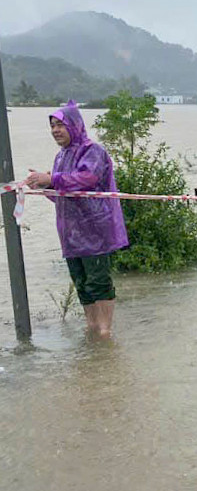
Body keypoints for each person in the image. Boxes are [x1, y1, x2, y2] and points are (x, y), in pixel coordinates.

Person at [25, 100, 128, 340]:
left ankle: (105, 331)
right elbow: (62, 194)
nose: (55, 131)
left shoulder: (93, 151)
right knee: (81, 282)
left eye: (60, 125)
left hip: (95, 230)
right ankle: (92, 327)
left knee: (98, 281)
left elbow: (88, 179)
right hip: (70, 234)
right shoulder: (60, 156)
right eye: (52, 126)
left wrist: (51, 179)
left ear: (74, 125)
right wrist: (41, 186)